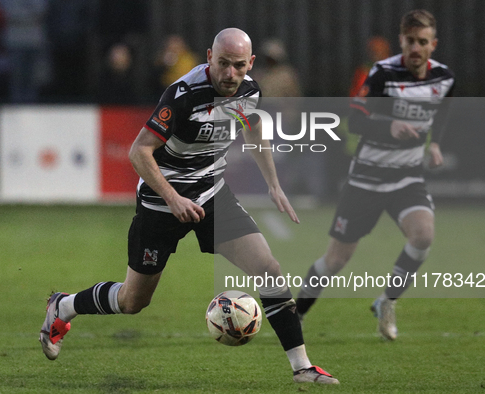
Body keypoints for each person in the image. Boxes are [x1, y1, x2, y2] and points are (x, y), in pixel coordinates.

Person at [39, 28, 339, 385]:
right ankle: (64, 306)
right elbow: (139, 151)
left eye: (239, 66)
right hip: (160, 201)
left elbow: (252, 128)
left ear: (251, 64)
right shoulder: (183, 95)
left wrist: (273, 184)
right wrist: (172, 197)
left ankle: (302, 367)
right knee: (133, 300)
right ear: (210, 57)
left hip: (211, 194)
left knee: (269, 269)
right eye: (223, 64)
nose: (230, 74)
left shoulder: (249, 91)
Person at [296, 10, 455, 340]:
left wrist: (435, 143)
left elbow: (442, 111)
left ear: (433, 45)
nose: (416, 48)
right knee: (336, 260)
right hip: (366, 179)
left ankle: (386, 301)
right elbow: (354, 120)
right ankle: (296, 313)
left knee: (423, 236)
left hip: (407, 177)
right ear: (402, 41)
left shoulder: (444, 78)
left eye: (422, 42)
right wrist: (390, 126)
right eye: (410, 41)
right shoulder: (383, 73)